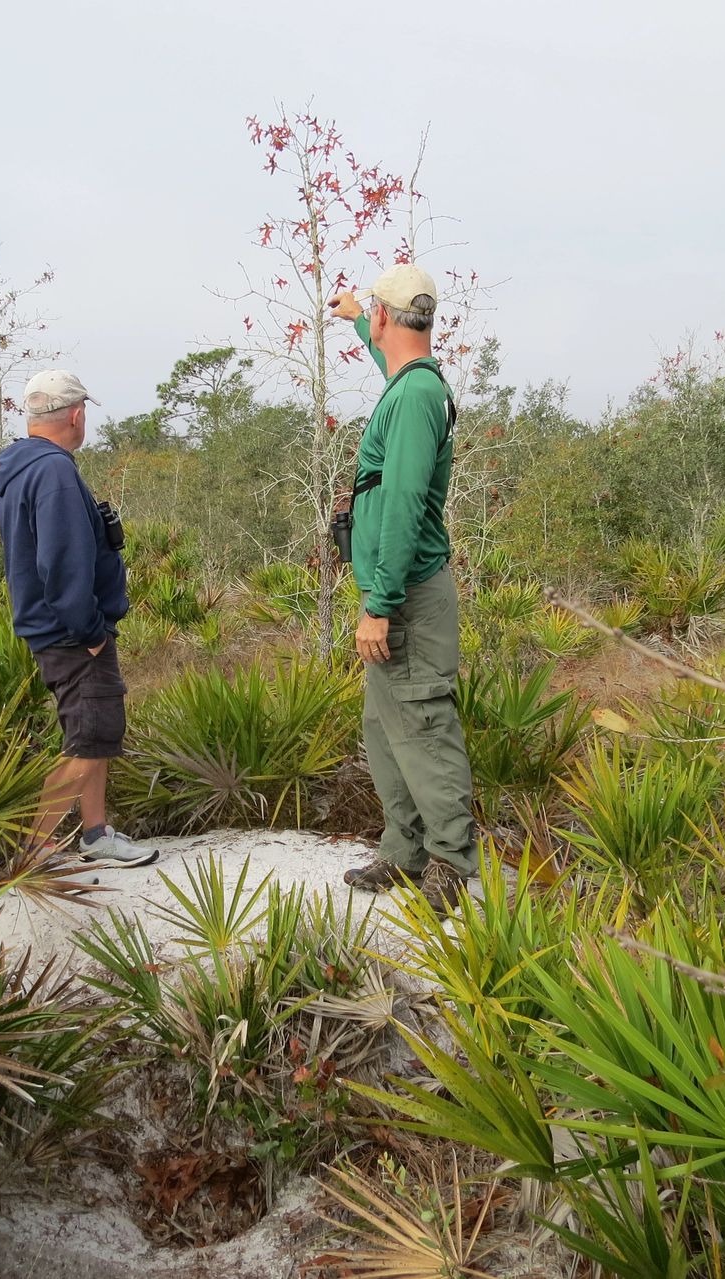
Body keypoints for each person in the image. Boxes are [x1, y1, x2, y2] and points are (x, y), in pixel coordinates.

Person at [329, 265, 476, 912]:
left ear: (393, 319)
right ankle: (403, 851)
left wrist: (378, 603)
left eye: (375, 318)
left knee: (420, 720)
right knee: (385, 727)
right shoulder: (408, 381)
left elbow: (403, 502)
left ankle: (447, 862)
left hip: (406, 594)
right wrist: (358, 316)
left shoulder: (414, 397)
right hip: (398, 590)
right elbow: (390, 352)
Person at [0, 369, 158, 867]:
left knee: (96, 732)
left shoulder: (22, 467)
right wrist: (88, 631)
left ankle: (95, 833)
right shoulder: (54, 471)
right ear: (77, 415)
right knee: (89, 738)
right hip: (72, 633)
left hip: (59, 629)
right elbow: (61, 562)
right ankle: (35, 852)